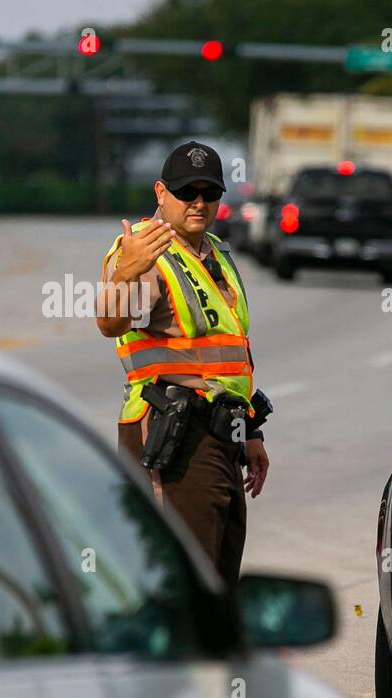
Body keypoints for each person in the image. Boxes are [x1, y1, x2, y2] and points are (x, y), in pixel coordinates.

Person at [95, 141, 269, 585]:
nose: (198, 202)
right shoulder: (145, 252)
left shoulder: (216, 255)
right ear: (160, 192)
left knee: (218, 577)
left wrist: (250, 431)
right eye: (185, 191)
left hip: (222, 436)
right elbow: (111, 322)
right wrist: (126, 273)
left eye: (209, 193)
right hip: (173, 434)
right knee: (184, 582)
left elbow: (231, 355)